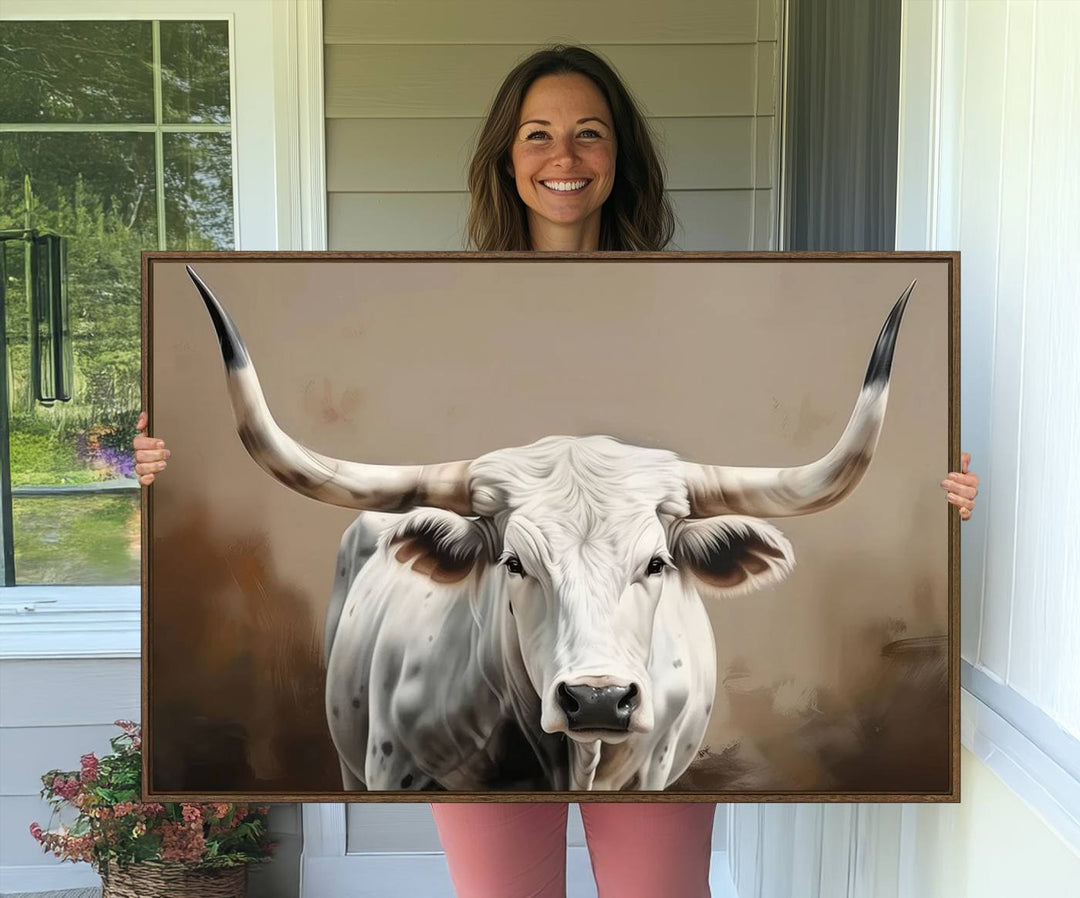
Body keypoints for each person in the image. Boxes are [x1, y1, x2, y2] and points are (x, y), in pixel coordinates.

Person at [133, 45, 979, 898]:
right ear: (507, 157)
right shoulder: (439, 308)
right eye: (537, 135)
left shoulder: (702, 307)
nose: (563, 158)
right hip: (483, 644)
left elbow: (784, 454)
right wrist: (173, 459)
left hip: (640, 640)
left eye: (589, 134)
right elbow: (380, 456)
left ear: (620, 158)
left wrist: (928, 486)